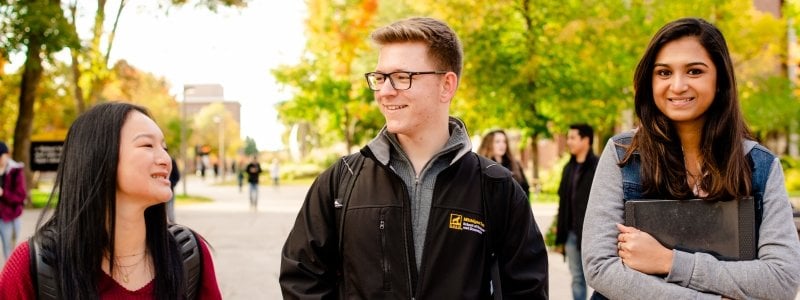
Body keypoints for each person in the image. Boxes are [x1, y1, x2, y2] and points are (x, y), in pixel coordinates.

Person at [280, 17, 548, 299]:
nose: (385, 91)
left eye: (402, 77)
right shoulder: (340, 182)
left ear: (446, 85)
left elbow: (527, 290)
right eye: (380, 78)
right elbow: (302, 279)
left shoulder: (496, 187)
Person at [582, 18, 800, 299]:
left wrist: (669, 262)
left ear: (720, 79)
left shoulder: (760, 165)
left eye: (694, 71)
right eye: (664, 73)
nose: (678, 85)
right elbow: (601, 269)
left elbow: (781, 280)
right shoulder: (623, 155)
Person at [0, 103, 221, 298]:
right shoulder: (33, 267)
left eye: (164, 148)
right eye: (147, 145)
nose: (165, 160)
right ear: (99, 157)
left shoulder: (189, 255)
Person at [554, 124, 597, 300]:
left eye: (573, 137)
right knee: (577, 278)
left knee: (599, 278)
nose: (569, 142)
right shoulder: (568, 169)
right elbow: (563, 202)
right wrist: (559, 231)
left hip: (594, 234)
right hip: (572, 234)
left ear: (585, 140)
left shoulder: (598, 167)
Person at [477, 130, 530, 195]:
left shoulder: (515, 164)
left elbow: (525, 188)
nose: (502, 145)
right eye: (497, 141)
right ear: (488, 144)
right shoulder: (481, 166)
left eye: (504, 142)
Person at [0, 141, 26, 264]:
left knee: (9, 249)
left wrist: (3, 193)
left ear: (6, 155)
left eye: (1, 156)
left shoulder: (15, 171)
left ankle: (9, 278)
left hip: (9, 216)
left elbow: (20, 197)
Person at [167, 157, 180, 223]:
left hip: (169, 190)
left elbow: (177, 176)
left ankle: (172, 225)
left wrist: (171, 185)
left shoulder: (172, 161)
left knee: (170, 211)